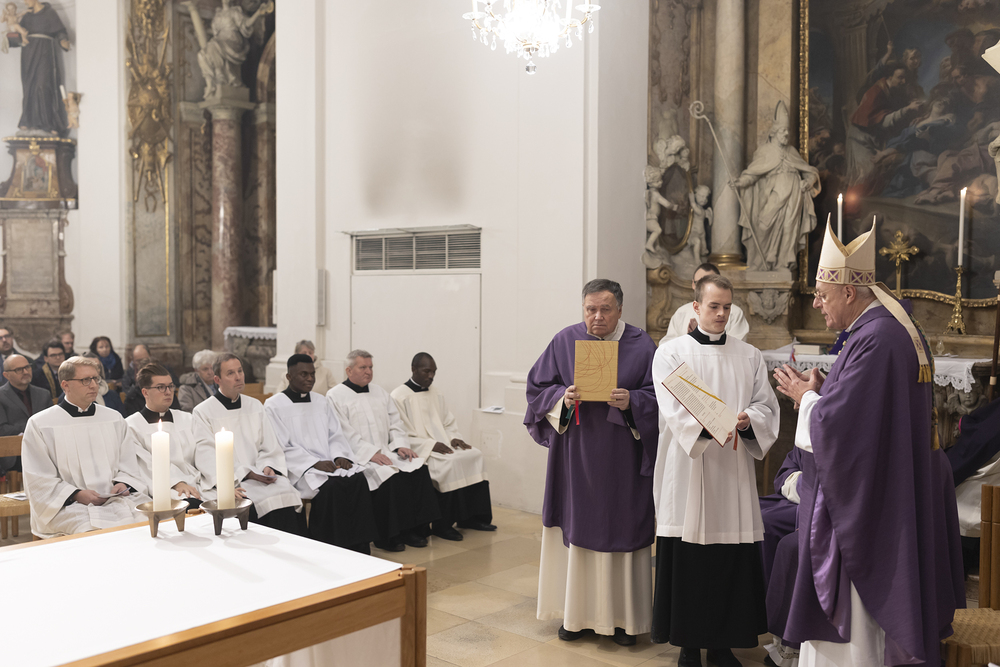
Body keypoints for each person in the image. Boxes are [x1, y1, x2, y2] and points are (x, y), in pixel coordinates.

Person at [772, 222, 964, 667]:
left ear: (849, 292)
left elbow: (843, 429)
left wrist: (806, 398)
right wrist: (825, 387)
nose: (816, 304)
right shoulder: (889, 326)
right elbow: (874, 407)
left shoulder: (875, 337)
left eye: (822, 295)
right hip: (889, 482)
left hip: (870, 502)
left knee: (858, 638)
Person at [651, 273, 780, 667]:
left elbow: (765, 405)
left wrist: (749, 420)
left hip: (732, 470)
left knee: (729, 558)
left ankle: (723, 646)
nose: (721, 313)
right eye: (713, 306)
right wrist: (710, 425)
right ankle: (689, 647)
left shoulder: (749, 355)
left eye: (727, 306)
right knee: (688, 558)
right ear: (696, 307)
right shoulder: (671, 354)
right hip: (689, 468)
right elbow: (673, 411)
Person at [524, 279, 659, 647]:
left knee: (623, 527)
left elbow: (660, 397)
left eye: (605, 309)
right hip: (576, 457)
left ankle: (624, 620)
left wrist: (632, 402)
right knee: (578, 526)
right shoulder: (564, 341)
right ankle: (576, 616)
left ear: (620, 310)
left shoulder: (642, 345)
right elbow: (537, 389)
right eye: (590, 309)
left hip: (622, 460)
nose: (597, 317)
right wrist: (562, 397)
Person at [21, 356, 149, 538]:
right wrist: (76, 494)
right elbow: (38, 478)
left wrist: (123, 483)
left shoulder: (113, 418)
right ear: (65, 385)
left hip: (116, 499)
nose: (94, 385)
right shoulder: (41, 424)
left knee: (149, 520)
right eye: (85, 380)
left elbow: (129, 464)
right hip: (69, 505)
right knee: (93, 533)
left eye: (96, 379)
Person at [265, 354, 380, 554]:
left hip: (329, 463)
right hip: (301, 469)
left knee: (358, 480)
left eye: (312, 374)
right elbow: (280, 446)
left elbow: (335, 435)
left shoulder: (321, 401)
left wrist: (340, 456)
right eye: (304, 374)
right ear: (289, 376)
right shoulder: (274, 405)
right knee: (331, 487)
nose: (310, 379)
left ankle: (359, 545)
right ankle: (329, 545)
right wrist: (313, 463)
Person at [327, 350, 441, 552]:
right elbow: (343, 432)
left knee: (418, 468)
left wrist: (400, 445)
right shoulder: (335, 396)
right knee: (389, 477)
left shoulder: (380, 392)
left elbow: (396, 422)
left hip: (387, 451)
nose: (368, 371)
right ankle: (387, 536)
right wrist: (370, 453)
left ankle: (414, 529)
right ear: (349, 370)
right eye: (363, 367)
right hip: (360, 457)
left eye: (371, 367)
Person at [192, 353, 305, 535]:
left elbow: (269, 445)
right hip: (233, 480)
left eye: (240, 371)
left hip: (261, 476)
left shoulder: (255, 406)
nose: (238, 377)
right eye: (230, 373)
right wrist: (243, 474)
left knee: (287, 493)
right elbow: (206, 454)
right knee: (248, 503)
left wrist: (268, 466)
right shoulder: (203, 412)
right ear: (217, 380)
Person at [391, 353, 495, 541]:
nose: (431, 376)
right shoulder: (399, 396)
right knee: (451, 464)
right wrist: (430, 445)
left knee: (475, 455)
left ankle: (472, 518)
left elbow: (447, 422)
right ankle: (443, 525)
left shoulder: (436, 393)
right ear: (413, 369)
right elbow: (399, 432)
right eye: (426, 371)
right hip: (421, 450)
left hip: (444, 444)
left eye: (434, 372)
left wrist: (454, 438)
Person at [734, 101, 821, 271]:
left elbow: (809, 171)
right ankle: (759, 262)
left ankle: (782, 263)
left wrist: (808, 181)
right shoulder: (765, 151)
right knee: (763, 224)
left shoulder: (791, 151)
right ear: (774, 132)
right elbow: (753, 173)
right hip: (773, 193)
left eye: (787, 130)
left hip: (794, 194)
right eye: (783, 130)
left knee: (789, 228)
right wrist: (741, 182)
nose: (786, 134)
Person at [125, 363, 207, 510]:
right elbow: (145, 464)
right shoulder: (132, 426)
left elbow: (205, 452)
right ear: (145, 392)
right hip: (165, 485)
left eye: (170, 386)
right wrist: (176, 482)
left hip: (200, 481)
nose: (168, 392)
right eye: (161, 387)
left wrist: (218, 482)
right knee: (190, 506)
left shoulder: (187, 419)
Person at [14, 0, 71, 136]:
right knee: (29, 86)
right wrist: (10, 35)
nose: (25, 2)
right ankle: (28, 120)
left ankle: (49, 123)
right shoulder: (27, 16)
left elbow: (60, 31)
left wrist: (63, 40)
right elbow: (17, 36)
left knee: (44, 85)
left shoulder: (49, 13)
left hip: (44, 51)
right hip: (28, 54)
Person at [660, 263, 749, 344]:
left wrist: (701, 337)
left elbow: (737, 348)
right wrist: (693, 338)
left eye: (726, 308)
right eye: (699, 282)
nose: (721, 313)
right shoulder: (681, 313)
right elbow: (667, 347)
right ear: (693, 284)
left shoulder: (735, 313)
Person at [0, 354, 51, 475]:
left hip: (44, 452)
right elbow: (2, 429)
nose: (25, 372)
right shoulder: (1, 396)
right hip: (14, 457)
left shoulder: (43, 394)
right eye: (19, 369)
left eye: (27, 367)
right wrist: (33, 427)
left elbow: (51, 424)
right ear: (6, 375)